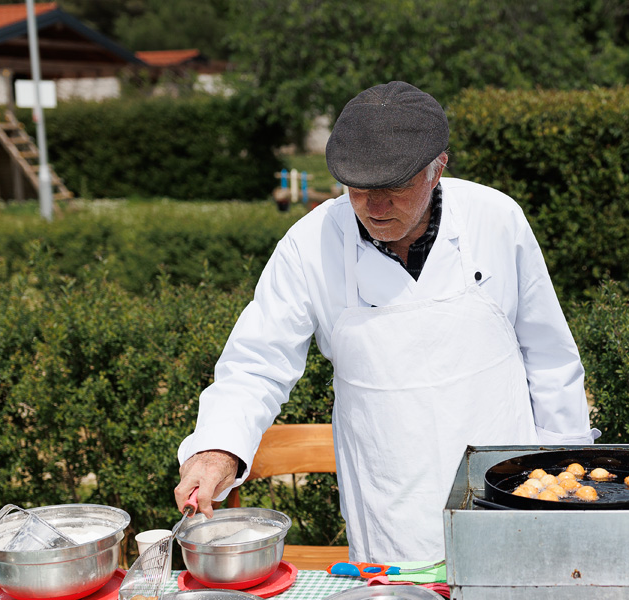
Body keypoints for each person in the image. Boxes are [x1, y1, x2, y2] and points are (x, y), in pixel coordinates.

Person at [175, 80, 595, 562]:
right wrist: (216, 450)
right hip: (389, 514)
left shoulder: (496, 219)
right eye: (358, 188)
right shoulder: (309, 244)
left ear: (438, 167)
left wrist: (566, 473)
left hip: (510, 498)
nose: (374, 208)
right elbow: (255, 365)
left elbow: (549, 359)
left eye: (395, 187)